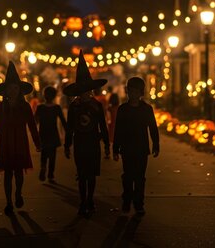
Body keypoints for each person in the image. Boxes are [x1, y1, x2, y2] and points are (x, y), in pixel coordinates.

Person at [0, 61, 41, 215]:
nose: (12, 90)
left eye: (15, 88)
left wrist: (38, 143)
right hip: (5, 144)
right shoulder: (0, 108)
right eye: (10, 88)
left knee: (18, 172)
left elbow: (31, 125)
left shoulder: (25, 107)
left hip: (20, 143)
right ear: (5, 91)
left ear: (19, 90)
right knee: (7, 174)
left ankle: (18, 193)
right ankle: (9, 202)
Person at [63, 50, 110, 216]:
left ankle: (90, 198)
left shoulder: (97, 106)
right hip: (80, 143)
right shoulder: (74, 107)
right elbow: (69, 127)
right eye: (82, 91)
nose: (85, 94)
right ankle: (83, 201)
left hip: (93, 143)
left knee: (91, 175)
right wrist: (67, 145)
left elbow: (102, 125)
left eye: (87, 90)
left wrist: (106, 144)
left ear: (91, 90)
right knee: (82, 175)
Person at [113, 77, 159, 215]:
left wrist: (156, 144)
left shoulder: (146, 109)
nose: (133, 94)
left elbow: (153, 128)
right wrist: (115, 148)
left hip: (141, 148)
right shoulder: (123, 109)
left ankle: (139, 203)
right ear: (128, 92)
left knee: (140, 177)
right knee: (128, 176)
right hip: (127, 148)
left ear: (141, 93)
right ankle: (127, 201)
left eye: (136, 91)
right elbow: (118, 130)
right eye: (131, 91)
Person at [34, 86, 67, 183]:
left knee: (44, 153)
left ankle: (43, 167)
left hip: (43, 133)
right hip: (53, 134)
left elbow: (34, 121)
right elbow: (63, 121)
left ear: (44, 96)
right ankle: (50, 175)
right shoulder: (57, 108)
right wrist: (69, 133)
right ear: (54, 96)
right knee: (52, 155)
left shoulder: (40, 107)